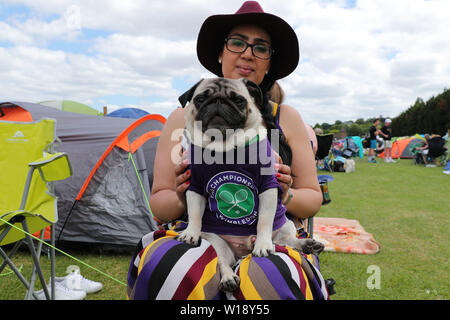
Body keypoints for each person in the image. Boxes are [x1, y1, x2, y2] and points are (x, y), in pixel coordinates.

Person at [127, 1, 329, 300]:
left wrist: (285, 193)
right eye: (237, 43)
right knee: (172, 271)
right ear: (220, 52)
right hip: (202, 231)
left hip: (270, 233)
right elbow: (160, 204)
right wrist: (184, 196)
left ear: (269, 62)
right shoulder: (181, 118)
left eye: (261, 47)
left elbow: (313, 198)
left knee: (268, 280)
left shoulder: (286, 117)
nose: (248, 53)